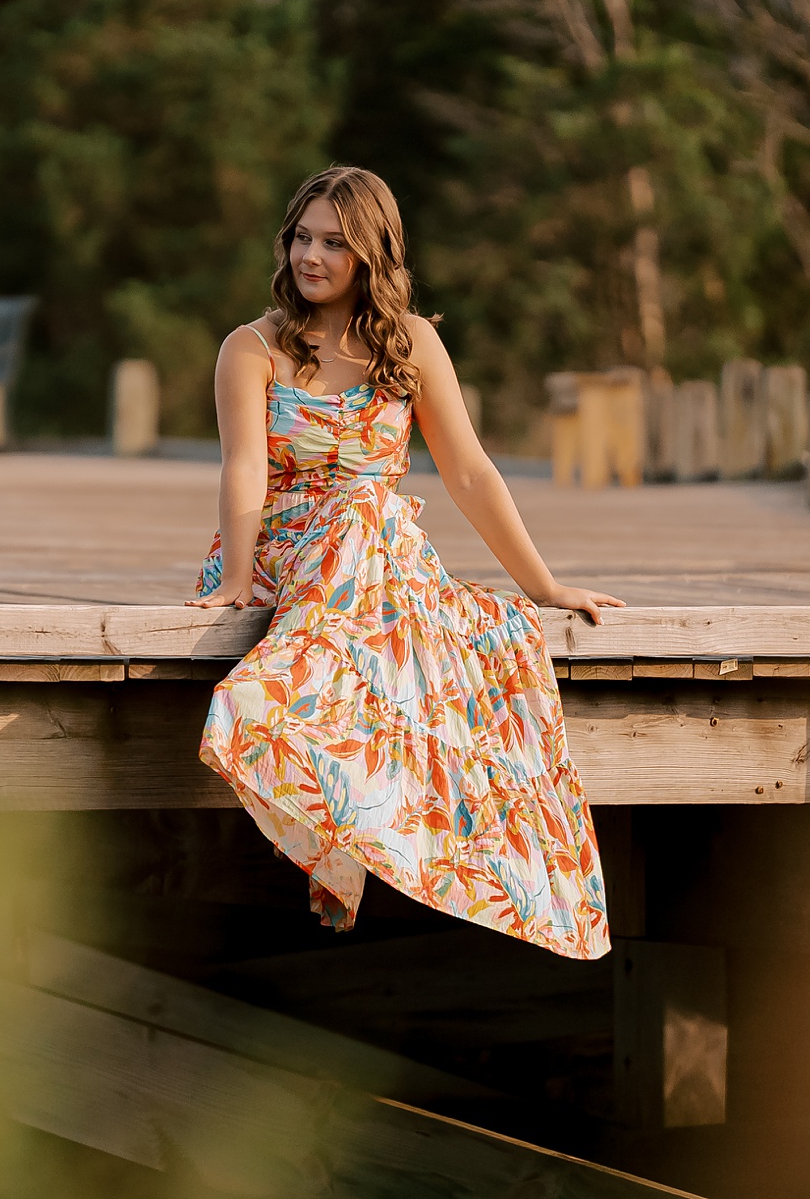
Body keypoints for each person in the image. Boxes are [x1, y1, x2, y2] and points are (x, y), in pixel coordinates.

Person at [187, 166, 621, 959]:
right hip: (280, 543)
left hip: (373, 554)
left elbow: (469, 471)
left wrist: (544, 585)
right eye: (301, 237)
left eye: (332, 242)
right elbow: (245, 469)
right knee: (365, 508)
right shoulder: (250, 349)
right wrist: (239, 579)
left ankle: (417, 819)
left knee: (483, 620)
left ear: (371, 254)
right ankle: (271, 710)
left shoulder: (412, 342)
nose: (310, 256)